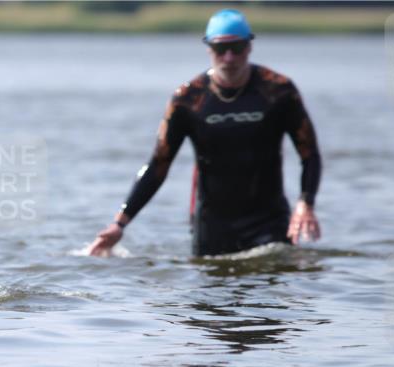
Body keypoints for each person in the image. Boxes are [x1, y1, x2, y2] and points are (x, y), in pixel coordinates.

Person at [87, 9, 322, 258]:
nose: (229, 58)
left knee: (270, 288)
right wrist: (120, 224)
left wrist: (305, 203)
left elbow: (309, 154)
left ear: (249, 47)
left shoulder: (278, 92)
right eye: (221, 49)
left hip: (269, 220)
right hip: (213, 224)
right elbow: (159, 164)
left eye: (237, 47)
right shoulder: (188, 99)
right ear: (209, 48)